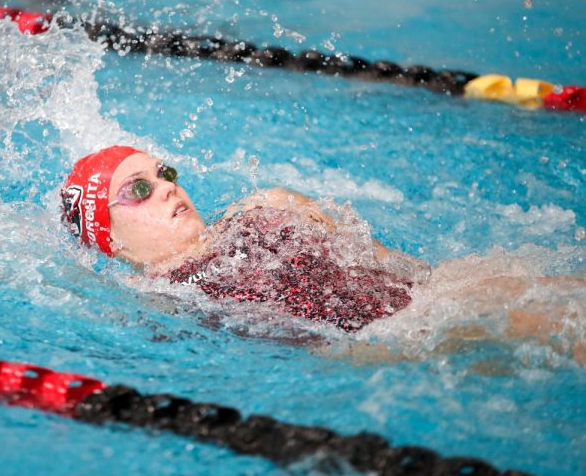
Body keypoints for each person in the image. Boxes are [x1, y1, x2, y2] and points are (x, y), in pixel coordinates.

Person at [60, 146, 585, 360]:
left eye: (164, 173)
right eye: (137, 190)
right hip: (412, 337)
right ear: (108, 237)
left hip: (443, 294)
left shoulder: (267, 204)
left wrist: (448, 288)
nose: (168, 188)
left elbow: (401, 266)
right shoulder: (157, 297)